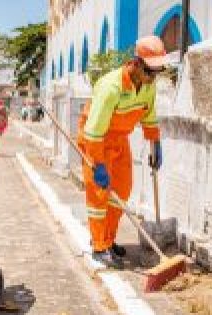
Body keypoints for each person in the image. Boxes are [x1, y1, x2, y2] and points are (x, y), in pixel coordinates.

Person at [77, 36, 166, 269]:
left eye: (157, 73)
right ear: (136, 64)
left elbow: (149, 115)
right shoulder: (111, 87)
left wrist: (155, 143)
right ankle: (98, 246)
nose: (152, 78)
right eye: (149, 72)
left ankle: (108, 239)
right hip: (96, 139)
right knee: (99, 195)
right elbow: (94, 131)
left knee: (122, 191)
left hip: (119, 139)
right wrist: (98, 164)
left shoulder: (148, 86)